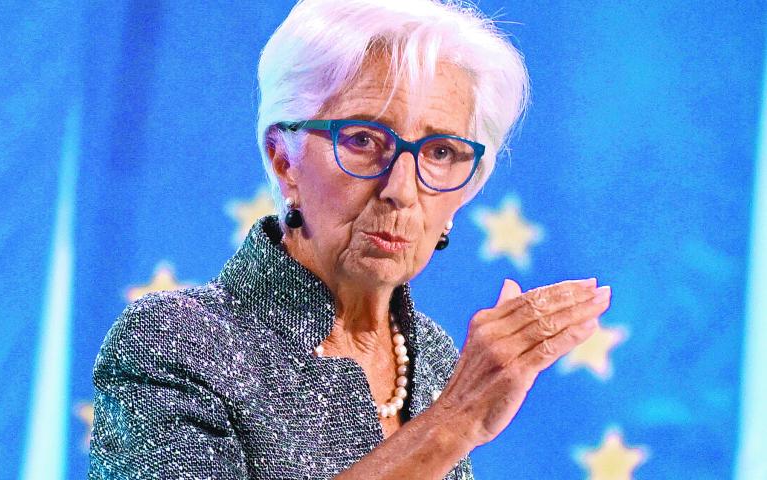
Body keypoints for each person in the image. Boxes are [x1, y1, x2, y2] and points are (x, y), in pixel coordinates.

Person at [89, 0, 612, 478]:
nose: (401, 190)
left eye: (441, 152)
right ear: (284, 161)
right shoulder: (173, 344)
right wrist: (455, 422)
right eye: (363, 140)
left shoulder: (430, 355)